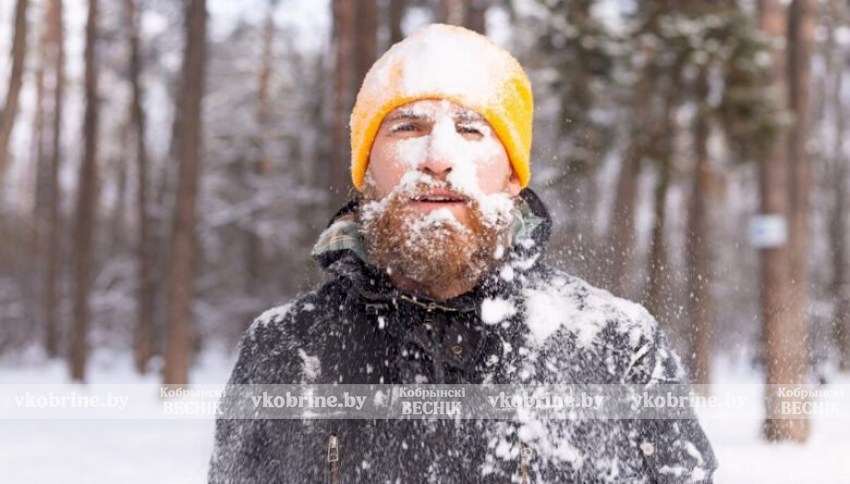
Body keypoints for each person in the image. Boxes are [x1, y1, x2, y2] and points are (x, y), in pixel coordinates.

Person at [208, 24, 717, 483]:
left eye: (472, 129)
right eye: (407, 128)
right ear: (366, 171)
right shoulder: (284, 349)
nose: (438, 158)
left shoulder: (619, 346)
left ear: (513, 174)